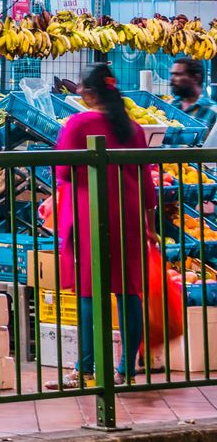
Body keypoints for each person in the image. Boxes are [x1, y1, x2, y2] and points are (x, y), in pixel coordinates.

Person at [53, 64, 159, 386]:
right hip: (127, 216)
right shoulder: (133, 128)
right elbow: (146, 181)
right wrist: (150, 225)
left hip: (90, 214)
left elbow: (63, 173)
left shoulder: (78, 123)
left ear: (89, 92)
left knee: (89, 292)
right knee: (128, 292)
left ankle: (86, 368)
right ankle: (127, 370)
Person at [169, 58, 217, 125]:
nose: (172, 79)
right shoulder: (171, 105)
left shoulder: (212, 112)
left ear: (196, 78)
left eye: (178, 74)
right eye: (172, 74)